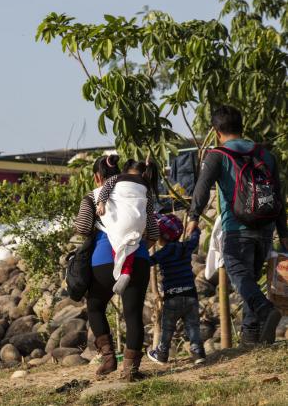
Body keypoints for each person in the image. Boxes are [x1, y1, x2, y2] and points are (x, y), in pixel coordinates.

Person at [186, 105, 288, 346]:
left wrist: (193, 218)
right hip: (265, 227)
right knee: (250, 279)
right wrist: (284, 233)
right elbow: (278, 195)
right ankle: (251, 338)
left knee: (239, 275)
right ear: (242, 127)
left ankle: (264, 310)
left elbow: (201, 187)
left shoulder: (217, 155)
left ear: (216, 131)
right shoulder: (265, 154)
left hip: (236, 227)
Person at [74, 155, 159, 381]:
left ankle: (108, 357)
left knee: (95, 306)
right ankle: (130, 371)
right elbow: (153, 233)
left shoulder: (92, 197)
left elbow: (82, 228)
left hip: (102, 262)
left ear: (97, 177)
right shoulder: (140, 194)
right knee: (133, 315)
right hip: (137, 260)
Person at [147, 213, 206, 365]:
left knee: (167, 328)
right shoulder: (186, 247)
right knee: (193, 326)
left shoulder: (164, 252)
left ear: (161, 237)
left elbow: (149, 261)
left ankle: (161, 354)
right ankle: (198, 353)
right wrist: (194, 229)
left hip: (173, 297)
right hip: (190, 294)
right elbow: (195, 238)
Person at [95, 158, 160, 295]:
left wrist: (101, 203)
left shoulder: (116, 179)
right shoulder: (146, 187)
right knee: (131, 243)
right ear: (144, 174)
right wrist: (143, 244)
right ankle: (126, 271)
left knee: (117, 242)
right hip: (138, 224)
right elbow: (151, 221)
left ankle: (122, 271)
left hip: (102, 259)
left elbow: (106, 188)